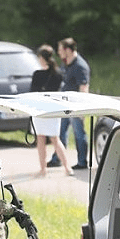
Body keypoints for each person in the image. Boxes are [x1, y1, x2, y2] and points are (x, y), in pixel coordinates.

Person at [47, 37, 90, 170]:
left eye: (60, 50)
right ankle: (57, 158)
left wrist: (81, 109)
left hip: (75, 107)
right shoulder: (66, 63)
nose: (59, 53)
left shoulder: (80, 66)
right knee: (60, 132)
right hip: (64, 106)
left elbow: (84, 88)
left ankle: (82, 162)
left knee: (79, 133)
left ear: (68, 50)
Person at [30, 44, 73, 177]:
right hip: (53, 109)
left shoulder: (37, 74)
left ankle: (43, 169)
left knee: (40, 139)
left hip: (39, 109)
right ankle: (67, 167)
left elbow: (32, 92)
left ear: (42, 58)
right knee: (55, 139)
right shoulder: (58, 73)